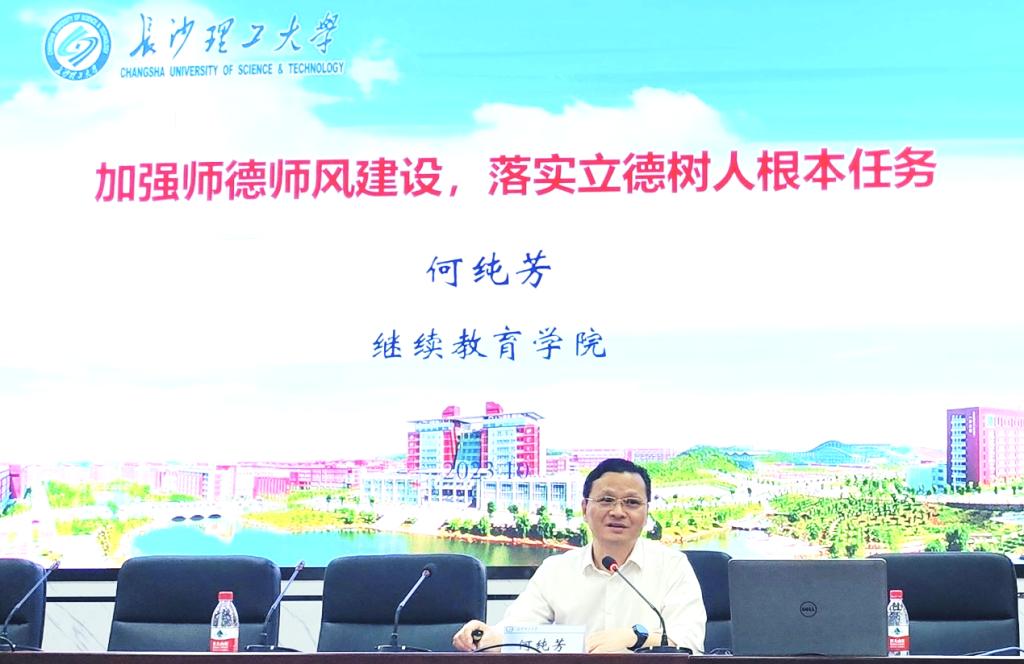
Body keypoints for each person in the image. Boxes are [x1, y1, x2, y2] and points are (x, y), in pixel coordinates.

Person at [452, 458, 706, 654]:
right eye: (606, 500)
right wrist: (483, 637)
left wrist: (636, 638)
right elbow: (516, 631)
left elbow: (690, 643)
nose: (618, 511)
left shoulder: (672, 566)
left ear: (647, 511)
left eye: (631, 502)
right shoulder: (555, 570)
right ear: (585, 508)